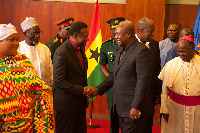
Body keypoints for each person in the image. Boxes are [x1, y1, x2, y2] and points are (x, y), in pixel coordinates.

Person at [94, 20, 153, 133]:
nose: (116, 37)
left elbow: (143, 81)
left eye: (118, 34)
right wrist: (97, 90)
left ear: (129, 34)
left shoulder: (142, 51)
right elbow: (113, 76)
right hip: (120, 108)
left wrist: (136, 107)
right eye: (115, 34)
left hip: (133, 109)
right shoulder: (121, 50)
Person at [0, 23, 54, 132]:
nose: (16, 43)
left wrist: (37, 97)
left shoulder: (23, 61)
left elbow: (41, 88)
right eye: (11, 40)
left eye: (17, 39)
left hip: (29, 123)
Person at [53, 21, 93, 133]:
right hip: (66, 107)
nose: (88, 39)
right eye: (85, 37)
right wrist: (83, 90)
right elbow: (59, 81)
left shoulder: (80, 48)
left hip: (79, 104)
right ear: (75, 35)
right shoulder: (61, 52)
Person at [158, 36, 200, 133]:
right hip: (175, 108)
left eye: (183, 51)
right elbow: (164, 90)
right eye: (179, 51)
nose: (180, 54)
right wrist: (164, 109)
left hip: (197, 109)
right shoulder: (171, 64)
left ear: (192, 49)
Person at [135, 17, 162, 133]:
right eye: (150, 31)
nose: (152, 34)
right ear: (141, 30)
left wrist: (157, 91)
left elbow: (156, 68)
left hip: (150, 93)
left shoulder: (155, 44)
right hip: (134, 93)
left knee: (147, 125)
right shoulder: (129, 43)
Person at [99, 17, 125, 133]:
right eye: (113, 30)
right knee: (113, 115)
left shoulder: (130, 44)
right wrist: (111, 78)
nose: (115, 32)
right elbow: (102, 66)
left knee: (126, 117)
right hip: (113, 87)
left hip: (127, 85)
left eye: (118, 29)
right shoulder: (106, 45)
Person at [18, 17, 53, 87]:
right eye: (34, 33)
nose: (37, 36)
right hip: (26, 90)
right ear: (25, 33)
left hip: (44, 89)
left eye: (38, 33)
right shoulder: (18, 49)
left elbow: (50, 71)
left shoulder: (45, 49)